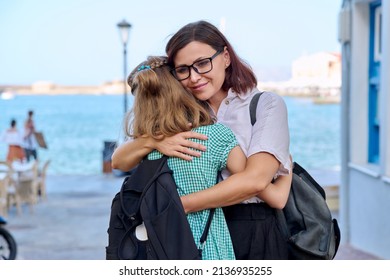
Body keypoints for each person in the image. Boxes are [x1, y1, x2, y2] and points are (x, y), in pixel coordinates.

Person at [112, 20, 292, 260]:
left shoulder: (265, 105)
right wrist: (153, 142)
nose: (194, 77)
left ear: (225, 57)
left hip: (251, 225)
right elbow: (118, 160)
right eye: (183, 69)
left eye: (202, 64)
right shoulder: (180, 114)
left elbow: (255, 181)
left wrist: (177, 206)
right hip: (188, 229)